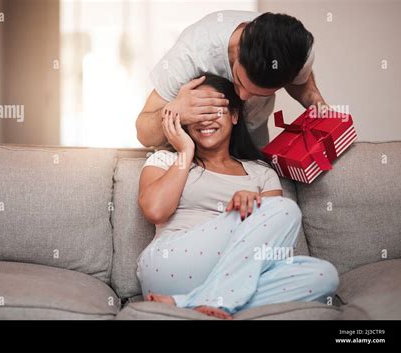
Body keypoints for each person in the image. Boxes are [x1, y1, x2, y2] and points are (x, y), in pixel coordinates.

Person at [136, 74, 338, 320]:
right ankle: (211, 299)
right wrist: (185, 151)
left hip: (233, 274)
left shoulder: (261, 172)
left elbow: (274, 251)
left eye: (215, 110)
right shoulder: (166, 160)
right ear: (185, 120)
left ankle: (189, 302)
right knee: (285, 209)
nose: (206, 119)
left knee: (324, 275)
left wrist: (254, 206)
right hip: (170, 265)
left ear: (234, 115)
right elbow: (155, 211)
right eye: (199, 112)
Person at [136, 11, 328, 150]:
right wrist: (177, 111)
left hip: (253, 138)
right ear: (238, 49)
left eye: (259, 93)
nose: (242, 96)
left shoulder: (298, 53)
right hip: (193, 147)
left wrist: (318, 105)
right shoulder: (192, 53)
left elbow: (302, 83)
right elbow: (143, 132)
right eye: (239, 81)